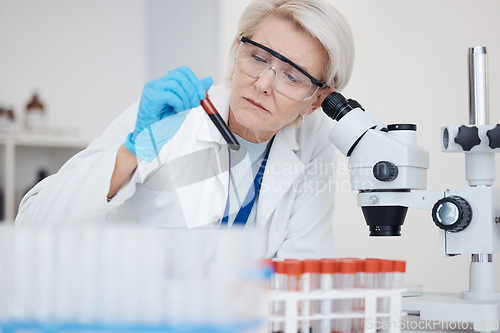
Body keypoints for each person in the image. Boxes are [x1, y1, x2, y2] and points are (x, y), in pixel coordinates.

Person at [15, 0, 354, 259]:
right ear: (238, 50)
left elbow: (302, 274)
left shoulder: (312, 143)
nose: (264, 83)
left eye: (292, 76)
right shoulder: (170, 117)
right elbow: (34, 229)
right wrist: (130, 153)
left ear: (315, 101)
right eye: (258, 58)